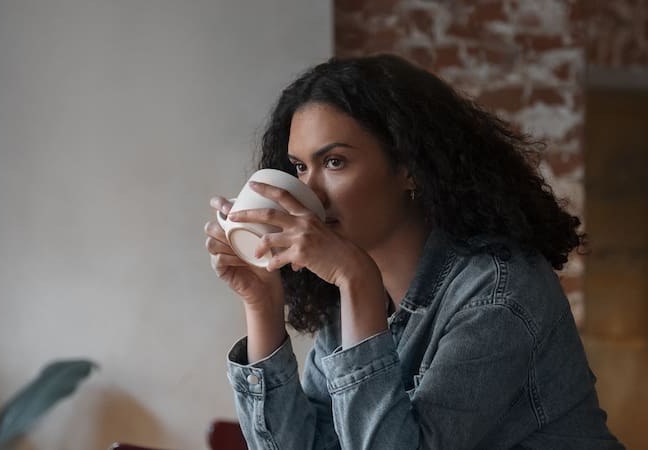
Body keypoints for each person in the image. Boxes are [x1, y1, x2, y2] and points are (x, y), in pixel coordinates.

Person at [203, 54, 622, 449]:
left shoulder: (499, 292)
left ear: (408, 168)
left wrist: (357, 282)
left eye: (334, 162)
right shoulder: (348, 300)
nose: (307, 193)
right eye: (299, 167)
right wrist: (263, 304)